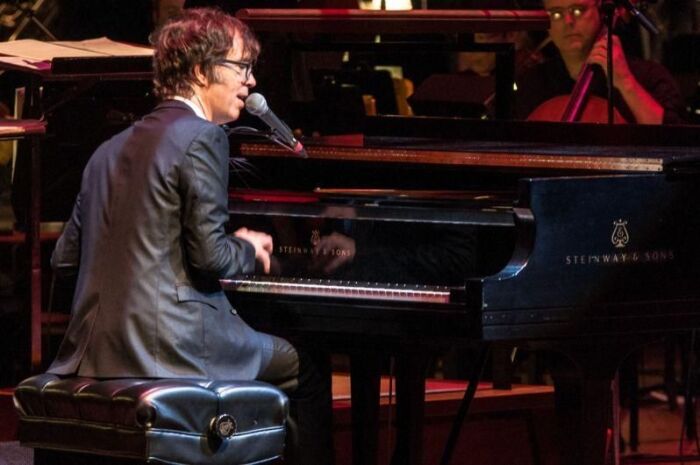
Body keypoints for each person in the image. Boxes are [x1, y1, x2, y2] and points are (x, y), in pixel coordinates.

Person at [46, 8, 333, 465]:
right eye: (242, 67)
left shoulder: (107, 149)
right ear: (201, 71)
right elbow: (211, 257)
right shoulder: (203, 137)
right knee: (308, 368)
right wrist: (248, 246)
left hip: (91, 353)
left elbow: (64, 260)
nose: (251, 81)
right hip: (175, 348)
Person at [514, 0, 685, 124]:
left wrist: (625, 82)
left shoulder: (650, 76)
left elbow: (671, 139)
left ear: (601, 12)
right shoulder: (533, 84)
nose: (568, 22)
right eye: (556, 14)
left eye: (578, 10)